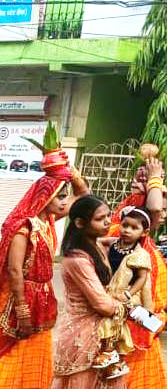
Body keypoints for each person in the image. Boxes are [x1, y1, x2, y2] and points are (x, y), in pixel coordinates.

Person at [0, 135, 89, 389]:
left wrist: (71, 175)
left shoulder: (47, 222)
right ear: (46, 198)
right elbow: (15, 271)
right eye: (60, 197)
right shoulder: (24, 228)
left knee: (37, 353)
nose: (63, 202)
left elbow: (84, 198)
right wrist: (22, 310)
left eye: (63, 197)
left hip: (43, 299)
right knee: (10, 352)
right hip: (19, 300)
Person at [52, 195, 127, 388]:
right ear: (79, 223)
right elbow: (101, 305)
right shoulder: (78, 260)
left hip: (98, 331)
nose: (108, 221)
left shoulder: (97, 244)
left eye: (108, 215)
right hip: (83, 335)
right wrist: (125, 307)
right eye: (100, 218)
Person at [107, 155, 167, 388]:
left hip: (136, 306)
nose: (161, 213)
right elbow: (151, 208)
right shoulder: (123, 231)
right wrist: (154, 177)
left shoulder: (133, 235)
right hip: (123, 305)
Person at [90, 207, 154, 379]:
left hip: (127, 295)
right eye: (125, 225)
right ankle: (116, 364)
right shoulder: (114, 243)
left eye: (134, 228)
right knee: (107, 321)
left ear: (144, 232)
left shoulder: (140, 254)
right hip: (110, 291)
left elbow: (142, 278)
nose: (127, 230)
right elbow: (98, 241)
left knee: (112, 320)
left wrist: (128, 294)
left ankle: (110, 352)